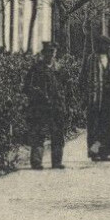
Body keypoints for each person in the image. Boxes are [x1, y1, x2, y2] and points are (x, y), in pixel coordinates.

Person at [79, 36, 110, 162]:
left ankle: (106, 153)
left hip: (108, 95)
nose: (108, 47)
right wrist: (83, 95)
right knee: (94, 125)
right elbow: (83, 77)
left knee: (107, 125)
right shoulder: (91, 59)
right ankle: (94, 152)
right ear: (99, 45)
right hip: (94, 96)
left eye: (109, 45)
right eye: (105, 45)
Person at [24, 41, 68, 169]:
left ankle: (57, 161)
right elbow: (27, 87)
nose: (51, 55)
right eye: (48, 52)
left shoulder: (59, 69)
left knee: (58, 134)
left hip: (57, 106)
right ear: (43, 53)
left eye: (53, 52)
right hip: (40, 106)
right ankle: (36, 161)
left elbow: (66, 87)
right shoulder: (36, 69)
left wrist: (64, 103)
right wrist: (37, 95)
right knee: (38, 133)